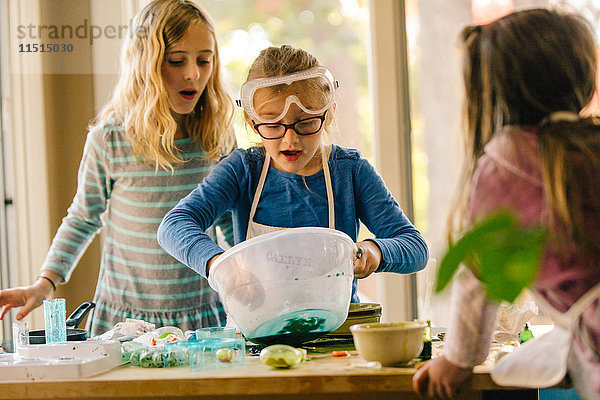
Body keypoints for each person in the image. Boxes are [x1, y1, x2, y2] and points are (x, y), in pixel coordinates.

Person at [0, 0, 235, 336]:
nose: (193, 74)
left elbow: (230, 220)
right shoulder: (109, 139)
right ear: (146, 65)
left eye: (204, 60)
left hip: (203, 319)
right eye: (176, 60)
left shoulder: (218, 137)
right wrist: (44, 284)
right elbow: (83, 217)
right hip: (125, 322)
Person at [412, 8, 600, 399]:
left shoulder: (508, 160)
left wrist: (457, 359)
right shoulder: (589, 143)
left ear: (491, 91)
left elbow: (480, 276)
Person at [157, 44, 429, 304]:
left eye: (306, 122)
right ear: (253, 124)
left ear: (328, 115)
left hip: (337, 338)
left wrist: (376, 251)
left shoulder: (351, 172)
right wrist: (220, 265)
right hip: (260, 341)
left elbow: (416, 248)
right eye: (273, 125)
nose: (290, 140)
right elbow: (174, 225)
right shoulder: (244, 170)